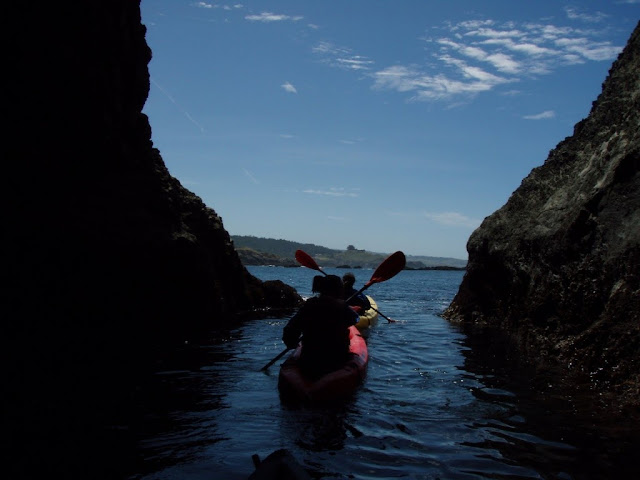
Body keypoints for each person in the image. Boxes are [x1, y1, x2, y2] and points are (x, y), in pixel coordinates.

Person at [282, 275, 359, 377]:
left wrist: (291, 343)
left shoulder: (309, 305)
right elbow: (355, 319)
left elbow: (290, 329)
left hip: (309, 358)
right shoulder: (341, 306)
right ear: (337, 289)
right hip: (336, 359)